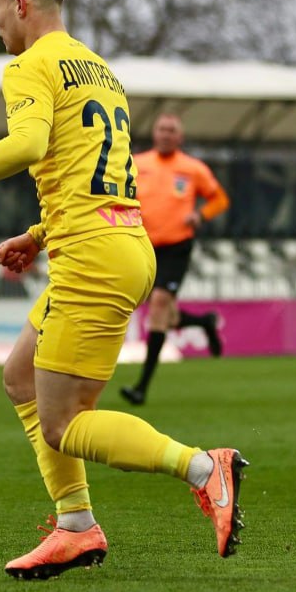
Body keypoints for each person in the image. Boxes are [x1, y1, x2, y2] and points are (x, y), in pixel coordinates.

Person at [0, 0, 247, 580]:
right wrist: (36, 233)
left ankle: (202, 468)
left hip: (92, 259)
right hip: (118, 243)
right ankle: (75, 527)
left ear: (21, 4)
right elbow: (90, 177)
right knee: (20, 377)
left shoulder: (29, 66)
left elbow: (27, 145)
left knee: (63, 423)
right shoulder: (101, 70)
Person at [119, 113, 230, 406]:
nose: (166, 134)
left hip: (177, 245)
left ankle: (142, 386)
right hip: (143, 245)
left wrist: (200, 214)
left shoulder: (192, 169)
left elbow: (219, 199)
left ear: (179, 137)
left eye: (172, 131)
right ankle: (205, 322)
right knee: (164, 313)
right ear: (154, 133)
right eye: (162, 129)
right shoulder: (138, 164)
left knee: (158, 304)